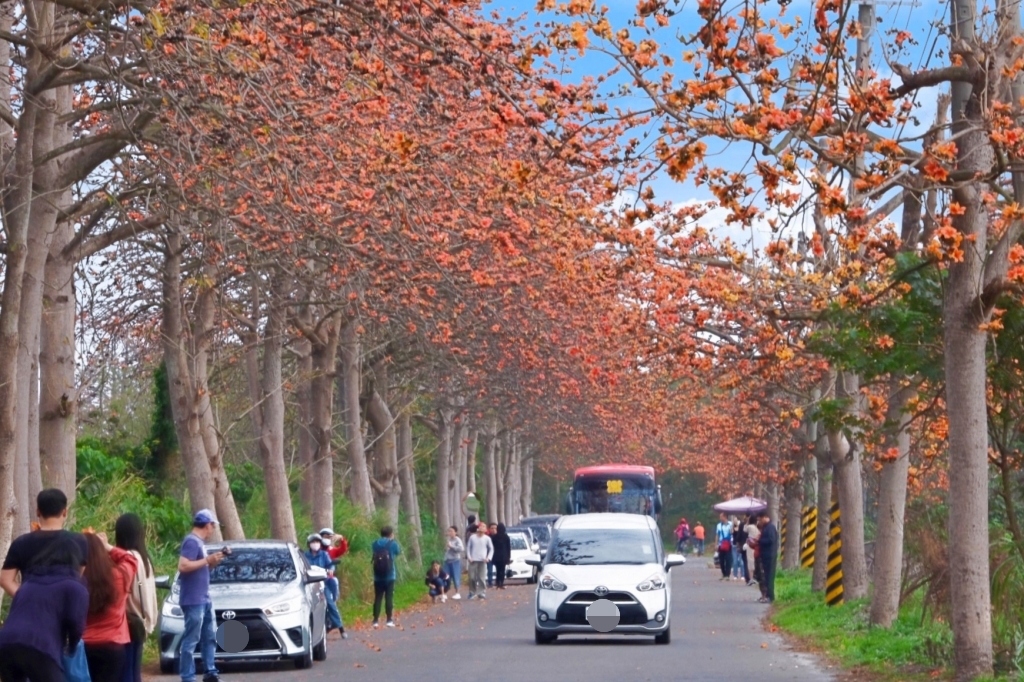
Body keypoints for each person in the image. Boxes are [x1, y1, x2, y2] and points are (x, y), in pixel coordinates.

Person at [0, 533, 89, 682]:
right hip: (41, 647)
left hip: (6, 644)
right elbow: (76, 624)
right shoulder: (75, 587)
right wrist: (71, 646)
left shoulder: (29, 584)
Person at [1, 488, 88, 598]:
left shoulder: (21, 542)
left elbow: (5, 579)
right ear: (65, 512)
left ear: (38, 511)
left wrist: (26, 598)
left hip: (32, 611)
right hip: (66, 606)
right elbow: (82, 577)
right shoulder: (79, 541)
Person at [81, 531, 138, 682]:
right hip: (113, 646)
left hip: (84, 646)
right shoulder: (119, 576)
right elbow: (130, 560)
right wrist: (107, 546)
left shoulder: (76, 582)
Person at [177, 509, 226, 682]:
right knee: (192, 639)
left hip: (204, 598)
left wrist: (212, 562)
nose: (213, 529)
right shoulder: (191, 541)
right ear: (207, 525)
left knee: (209, 636)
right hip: (193, 599)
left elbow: (198, 567)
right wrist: (207, 560)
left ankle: (210, 671)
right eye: (213, 525)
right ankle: (188, 676)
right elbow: (183, 566)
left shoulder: (199, 542)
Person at [115, 513, 158, 682]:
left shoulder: (128, 558)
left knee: (126, 673)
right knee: (134, 672)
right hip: (141, 622)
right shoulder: (144, 558)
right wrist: (149, 621)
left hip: (128, 622)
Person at [304, 534, 344, 637]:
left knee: (330, 603)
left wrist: (330, 570)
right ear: (309, 544)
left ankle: (340, 627)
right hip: (309, 584)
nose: (315, 544)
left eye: (317, 542)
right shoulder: (304, 556)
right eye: (313, 542)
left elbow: (330, 565)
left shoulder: (324, 555)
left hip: (322, 583)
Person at [317, 528, 349, 639]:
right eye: (326, 536)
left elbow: (342, 550)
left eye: (330, 537)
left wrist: (342, 539)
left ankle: (340, 628)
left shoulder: (331, 550)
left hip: (328, 580)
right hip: (316, 581)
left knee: (332, 603)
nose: (328, 539)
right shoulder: (315, 551)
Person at [370, 526, 401, 628]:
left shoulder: (375, 543)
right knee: (389, 597)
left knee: (378, 597)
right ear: (391, 534)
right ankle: (389, 620)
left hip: (377, 576)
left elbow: (373, 551)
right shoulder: (392, 544)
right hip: (390, 575)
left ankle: (375, 620)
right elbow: (398, 552)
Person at [465, 522, 493, 600]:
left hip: (482, 560)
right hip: (473, 560)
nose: (482, 528)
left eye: (484, 527)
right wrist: (469, 557)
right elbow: (468, 548)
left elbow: (491, 549)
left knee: (481, 578)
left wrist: (488, 558)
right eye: (481, 526)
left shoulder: (487, 538)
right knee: (472, 578)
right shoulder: (472, 537)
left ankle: (481, 593)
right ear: (478, 528)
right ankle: (472, 592)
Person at [758, 511, 780, 604]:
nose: (760, 521)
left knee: (769, 576)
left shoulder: (770, 527)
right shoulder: (765, 527)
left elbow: (771, 540)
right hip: (765, 555)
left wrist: (760, 541)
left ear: (765, 517)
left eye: (760, 519)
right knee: (766, 576)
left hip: (770, 555)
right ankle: (767, 595)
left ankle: (771, 596)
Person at [443, 526, 464, 600]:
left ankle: (457, 593)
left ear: (455, 532)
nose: (450, 533)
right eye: (449, 531)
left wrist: (451, 546)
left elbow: (461, 549)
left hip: (455, 561)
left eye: (451, 531)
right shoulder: (449, 540)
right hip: (447, 560)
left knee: (456, 576)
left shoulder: (458, 540)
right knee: (445, 576)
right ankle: (444, 593)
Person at [491, 523, 511, 590]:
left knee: (497, 570)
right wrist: (509, 556)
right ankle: (501, 583)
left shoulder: (494, 537)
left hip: (496, 555)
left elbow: (492, 547)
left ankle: (497, 582)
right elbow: (508, 548)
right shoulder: (506, 537)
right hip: (504, 556)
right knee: (502, 570)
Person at [744, 514, 761, 588]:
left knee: (750, 561)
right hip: (756, 546)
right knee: (755, 561)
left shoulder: (750, 527)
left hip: (750, 545)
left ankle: (751, 578)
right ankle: (755, 577)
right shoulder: (758, 528)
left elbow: (744, 529)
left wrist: (747, 522)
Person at [716, 512, 733, 580]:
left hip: (729, 544)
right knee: (721, 560)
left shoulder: (731, 524)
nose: (720, 518)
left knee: (728, 559)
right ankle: (723, 573)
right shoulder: (719, 525)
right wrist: (716, 544)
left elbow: (733, 532)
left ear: (725, 517)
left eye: (721, 516)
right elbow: (717, 535)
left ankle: (727, 575)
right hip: (721, 544)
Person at [486, 522, 498, 588]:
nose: (493, 530)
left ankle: (498, 581)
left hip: (497, 555)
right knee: (489, 570)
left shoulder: (499, 536)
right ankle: (490, 582)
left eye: (495, 528)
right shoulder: (487, 537)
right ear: (489, 529)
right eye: (492, 528)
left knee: (498, 570)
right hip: (489, 555)